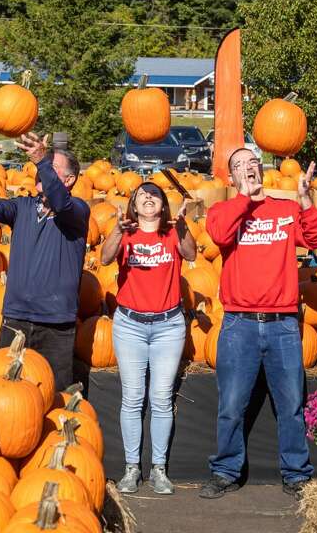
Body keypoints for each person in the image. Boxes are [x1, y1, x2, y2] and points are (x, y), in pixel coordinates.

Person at [202, 148, 317, 500]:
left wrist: (305, 201)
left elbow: (316, 239)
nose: (247, 168)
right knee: (231, 405)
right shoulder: (223, 210)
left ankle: (296, 473)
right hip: (238, 324)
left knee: (290, 404)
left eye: (252, 162)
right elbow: (220, 235)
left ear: (262, 168)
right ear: (231, 177)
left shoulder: (284, 210)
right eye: (238, 165)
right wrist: (244, 198)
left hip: (282, 323)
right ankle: (225, 471)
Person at [99, 181, 196, 496]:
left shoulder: (172, 233)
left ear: (163, 205)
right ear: (133, 206)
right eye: (142, 194)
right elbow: (104, 258)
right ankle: (131, 468)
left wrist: (182, 226)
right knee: (132, 397)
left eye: (155, 194)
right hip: (130, 326)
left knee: (161, 397)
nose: (149, 198)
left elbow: (191, 253)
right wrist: (117, 230)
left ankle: (158, 468)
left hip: (168, 326)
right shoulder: (125, 233)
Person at [0, 132, 89, 391]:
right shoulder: (23, 207)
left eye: (51, 167)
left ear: (69, 180)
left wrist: (40, 160)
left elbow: (61, 202)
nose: (42, 170)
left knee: (54, 393)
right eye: (42, 166)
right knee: (4, 392)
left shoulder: (77, 210)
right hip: (15, 317)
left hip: (55, 323)